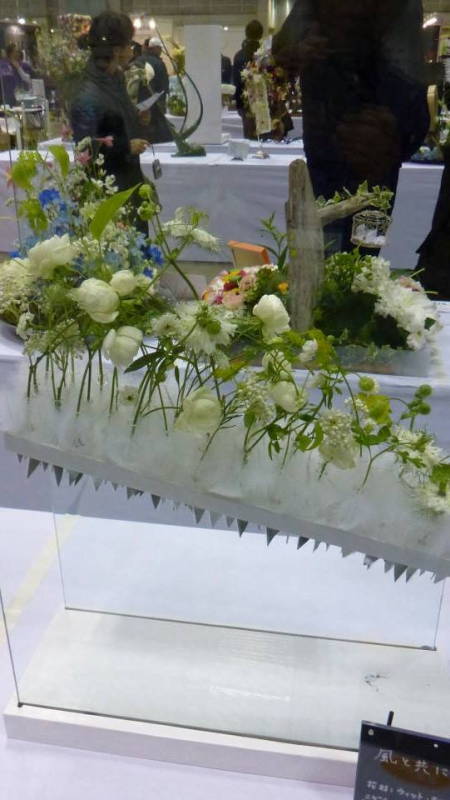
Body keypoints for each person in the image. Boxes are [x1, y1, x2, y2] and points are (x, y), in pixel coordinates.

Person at [272, 0, 430, 253]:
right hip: (346, 151)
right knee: (340, 249)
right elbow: (284, 50)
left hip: (369, 151)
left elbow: (410, 80)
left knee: (357, 249)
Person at [70, 11, 150, 233]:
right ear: (116, 50)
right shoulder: (87, 92)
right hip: (108, 195)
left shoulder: (114, 79)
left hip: (127, 182)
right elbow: (85, 149)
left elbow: (112, 123)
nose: (132, 51)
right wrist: (126, 147)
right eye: (129, 45)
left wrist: (136, 117)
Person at [233, 20, 264, 138]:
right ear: (261, 34)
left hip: (245, 102)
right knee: (265, 134)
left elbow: (237, 81)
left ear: (246, 34)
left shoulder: (239, 55)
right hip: (265, 100)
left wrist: (238, 104)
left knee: (249, 135)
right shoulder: (266, 54)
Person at [0, 43, 33, 107]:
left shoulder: (24, 65)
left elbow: (29, 80)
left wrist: (18, 68)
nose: (19, 53)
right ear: (11, 53)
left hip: (22, 97)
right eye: (16, 51)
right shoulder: (3, 64)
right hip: (6, 99)